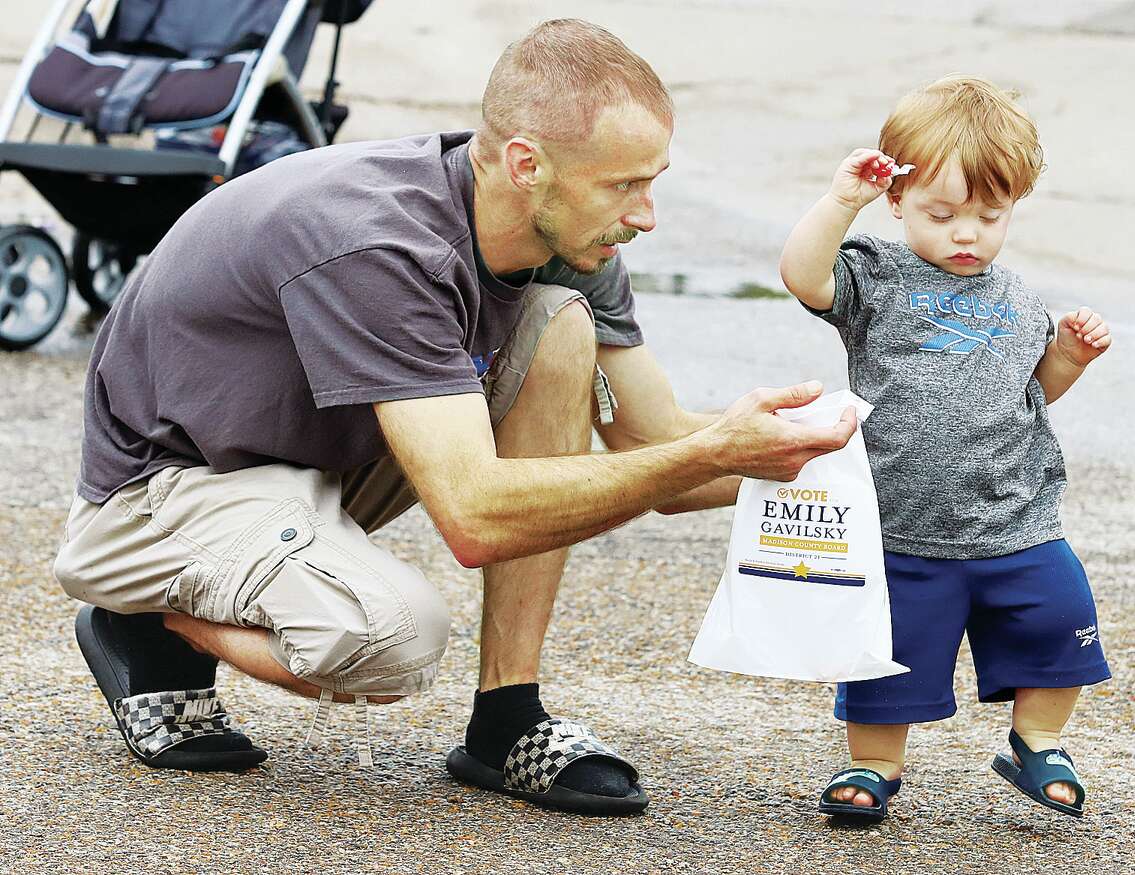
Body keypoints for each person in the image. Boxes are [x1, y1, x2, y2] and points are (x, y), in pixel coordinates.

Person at [52, 19, 856, 816]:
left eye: (654, 179)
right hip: (165, 489)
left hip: (312, 457)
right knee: (391, 640)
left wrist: (861, 461)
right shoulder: (381, 244)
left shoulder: (570, 236)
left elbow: (656, 447)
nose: (646, 214)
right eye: (622, 185)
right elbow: (475, 515)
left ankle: (506, 722)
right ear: (526, 164)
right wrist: (713, 451)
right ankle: (148, 619)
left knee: (556, 324)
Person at [778, 75, 1112, 820]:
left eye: (990, 216)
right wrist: (840, 202)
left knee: (1062, 619)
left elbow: (1031, 393)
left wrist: (1069, 357)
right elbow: (802, 274)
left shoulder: (1019, 298)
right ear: (896, 200)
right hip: (902, 525)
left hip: (1015, 521)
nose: (968, 233)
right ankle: (873, 763)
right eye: (942, 213)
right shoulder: (877, 274)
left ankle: (1039, 738)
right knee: (888, 657)